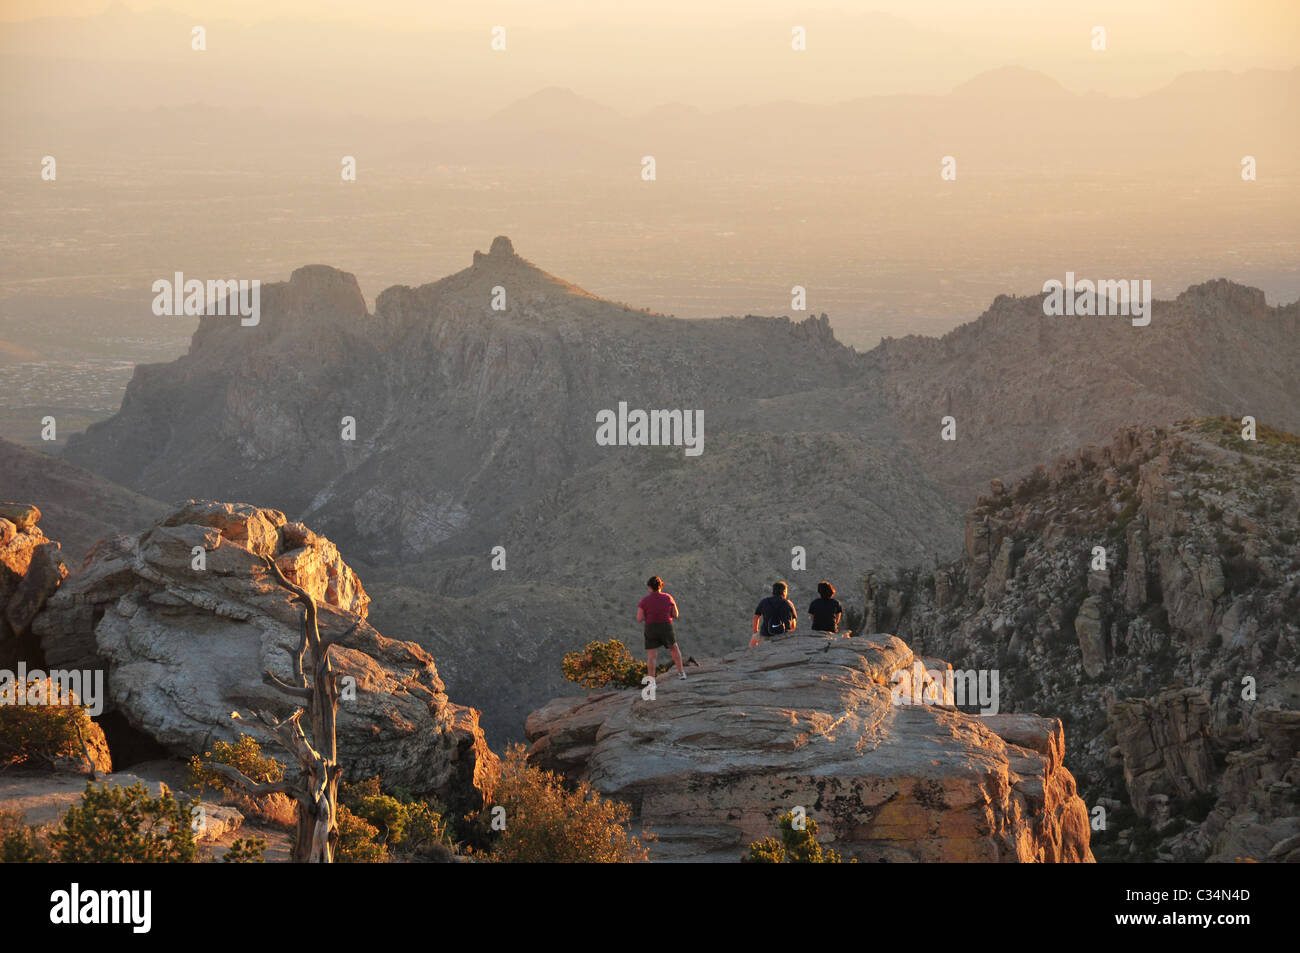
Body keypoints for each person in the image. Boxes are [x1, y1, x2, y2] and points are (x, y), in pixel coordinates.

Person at [637, 576, 686, 682]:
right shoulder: (668, 597)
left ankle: (652, 681)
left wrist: (650, 616)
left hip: (650, 627)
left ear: (649, 587)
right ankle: (681, 673)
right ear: (661, 586)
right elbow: (676, 614)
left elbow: (639, 618)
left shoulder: (644, 601)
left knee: (652, 656)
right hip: (666, 626)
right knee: (674, 649)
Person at [750, 581, 797, 646]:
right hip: (783, 636)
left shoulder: (764, 601)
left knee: (754, 638)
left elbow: (756, 617)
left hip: (765, 634)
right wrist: (789, 633)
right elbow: (793, 624)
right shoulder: (789, 604)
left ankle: (752, 654)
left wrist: (755, 631)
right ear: (784, 592)